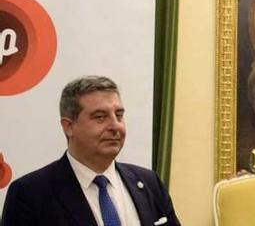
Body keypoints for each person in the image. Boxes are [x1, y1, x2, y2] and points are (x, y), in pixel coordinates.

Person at [0, 76, 180, 226]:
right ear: (69, 126)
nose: (115, 126)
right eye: (100, 117)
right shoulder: (31, 194)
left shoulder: (149, 183)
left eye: (119, 115)